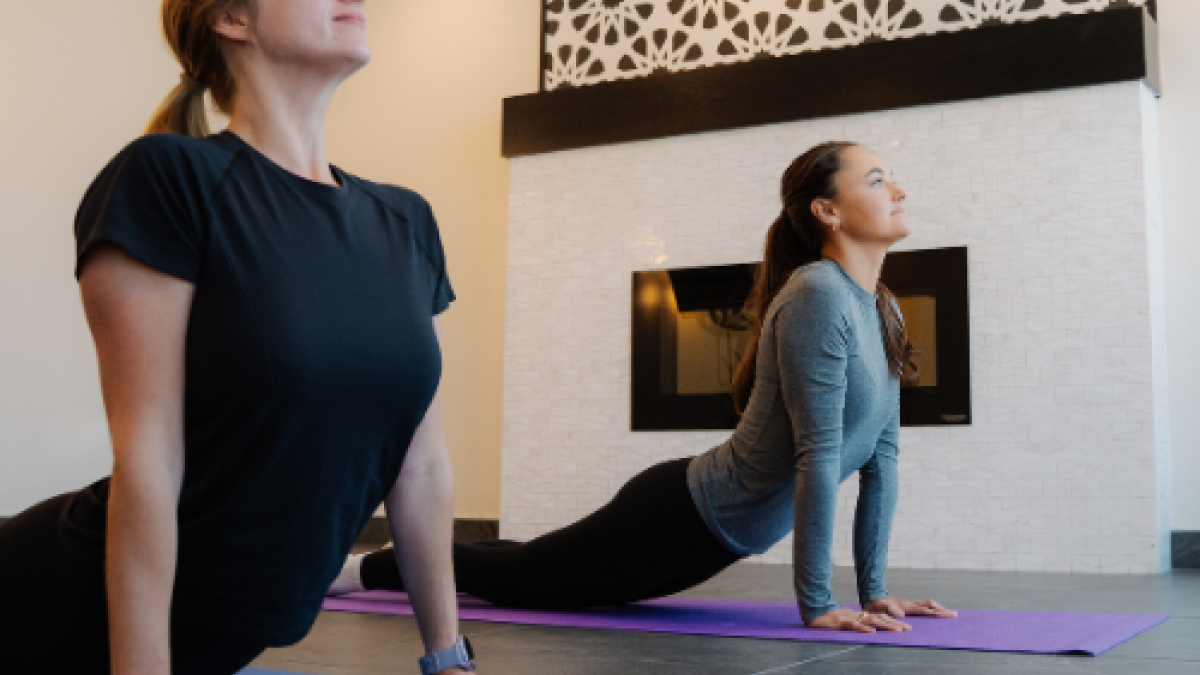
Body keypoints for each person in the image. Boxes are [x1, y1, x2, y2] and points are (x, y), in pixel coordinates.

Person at [0, 1, 476, 674]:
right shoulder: (168, 180)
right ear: (232, 19)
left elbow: (420, 466)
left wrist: (447, 656)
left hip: (218, 638)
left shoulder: (405, 222)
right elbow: (149, 460)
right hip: (52, 613)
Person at [331, 141, 959, 633]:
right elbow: (817, 457)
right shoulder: (817, 293)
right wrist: (817, 604)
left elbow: (882, 461)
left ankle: (401, 556)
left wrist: (875, 592)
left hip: (708, 535)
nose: (897, 189)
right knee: (518, 577)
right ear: (826, 210)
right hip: (676, 518)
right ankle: (359, 570)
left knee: (532, 563)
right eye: (876, 180)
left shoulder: (883, 309)